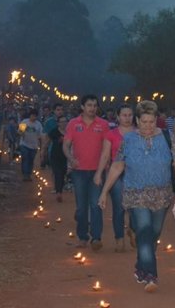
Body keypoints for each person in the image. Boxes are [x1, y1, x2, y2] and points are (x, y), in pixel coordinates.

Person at [98, 100, 175, 293]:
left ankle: (141, 265)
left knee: (154, 233)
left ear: (156, 120)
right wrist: (105, 191)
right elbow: (117, 166)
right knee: (145, 230)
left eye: (151, 121)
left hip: (161, 194)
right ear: (137, 120)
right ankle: (150, 275)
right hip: (135, 193)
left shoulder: (167, 137)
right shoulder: (129, 140)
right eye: (144, 121)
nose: (147, 126)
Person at [63, 95, 109, 251]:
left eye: (95, 105)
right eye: (89, 105)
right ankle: (82, 236)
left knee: (96, 205)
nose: (92, 108)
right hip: (79, 171)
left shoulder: (103, 124)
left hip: (97, 171)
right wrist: (70, 158)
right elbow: (66, 145)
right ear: (82, 107)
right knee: (81, 207)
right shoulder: (73, 124)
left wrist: (102, 170)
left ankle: (96, 237)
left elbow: (106, 149)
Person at [94, 104, 135, 252]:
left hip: (135, 173)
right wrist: (99, 173)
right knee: (119, 207)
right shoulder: (111, 134)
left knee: (134, 206)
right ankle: (119, 238)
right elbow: (105, 155)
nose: (127, 118)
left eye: (130, 115)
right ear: (118, 117)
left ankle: (132, 229)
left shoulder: (139, 133)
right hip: (116, 173)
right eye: (124, 115)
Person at [18, 108, 43, 181]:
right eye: (32, 115)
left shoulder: (38, 124)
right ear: (30, 115)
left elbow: (41, 134)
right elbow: (20, 132)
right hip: (24, 144)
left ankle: (28, 174)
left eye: (35, 116)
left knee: (31, 160)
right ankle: (25, 174)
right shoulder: (24, 122)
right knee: (25, 158)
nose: (34, 117)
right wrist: (22, 133)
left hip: (34, 146)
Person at [48, 115, 68, 202]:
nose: (63, 124)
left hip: (66, 157)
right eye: (61, 122)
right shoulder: (54, 132)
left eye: (65, 121)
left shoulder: (69, 132)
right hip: (55, 156)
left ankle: (60, 189)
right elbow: (47, 141)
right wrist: (43, 151)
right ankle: (58, 192)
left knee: (63, 174)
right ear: (58, 123)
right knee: (58, 173)